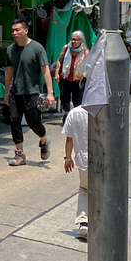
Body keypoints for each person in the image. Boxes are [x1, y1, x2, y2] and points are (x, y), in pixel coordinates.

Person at [4, 18, 55, 167]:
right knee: (14, 120)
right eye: (13, 30)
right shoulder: (10, 50)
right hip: (15, 92)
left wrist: (50, 92)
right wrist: (6, 93)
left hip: (33, 92)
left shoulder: (37, 48)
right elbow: (8, 71)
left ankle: (44, 139)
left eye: (17, 30)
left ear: (26, 30)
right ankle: (19, 154)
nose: (15, 33)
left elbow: (45, 70)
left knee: (34, 122)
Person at [62, 104, 89, 241]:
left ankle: (84, 222)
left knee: (85, 189)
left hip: (84, 160)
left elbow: (69, 138)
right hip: (104, 159)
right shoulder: (105, 109)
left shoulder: (74, 113)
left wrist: (67, 158)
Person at [52, 30, 89, 119]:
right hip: (65, 78)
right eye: (72, 39)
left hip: (78, 80)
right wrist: (57, 73)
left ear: (81, 41)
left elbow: (88, 66)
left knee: (77, 100)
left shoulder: (85, 52)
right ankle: (67, 115)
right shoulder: (66, 48)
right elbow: (59, 61)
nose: (73, 41)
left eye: (76, 40)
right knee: (65, 98)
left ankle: (76, 117)